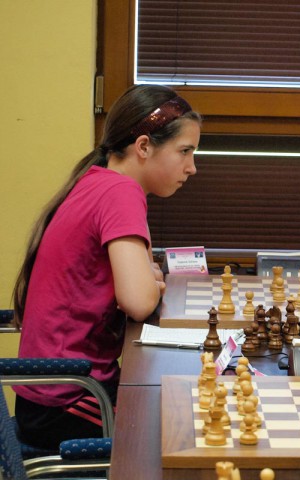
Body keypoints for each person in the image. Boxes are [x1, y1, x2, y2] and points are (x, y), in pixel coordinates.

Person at [11, 84, 201, 449]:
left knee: (182, 411)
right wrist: (148, 284)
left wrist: (147, 280)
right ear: (143, 146)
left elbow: (145, 276)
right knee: (182, 434)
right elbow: (139, 301)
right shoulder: (119, 192)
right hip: (69, 399)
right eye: (185, 151)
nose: (192, 167)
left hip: (55, 392)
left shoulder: (97, 181)